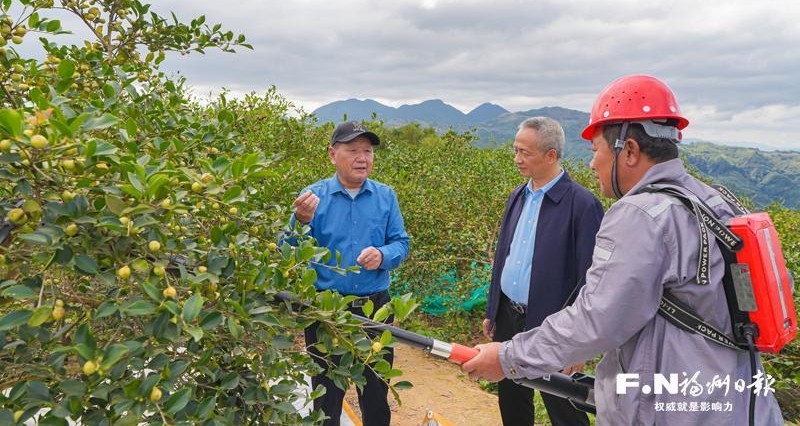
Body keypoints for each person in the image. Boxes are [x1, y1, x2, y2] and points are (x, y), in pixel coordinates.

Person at [463, 75, 784, 425]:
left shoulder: (640, 214)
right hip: (740, 403)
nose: (591, 164)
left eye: (595, 150)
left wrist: (508, 357)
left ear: (628, 150)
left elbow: (596, 318)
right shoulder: (717, 202)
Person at [484, 117, 603, 426]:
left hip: (555, 325)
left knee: (563, 405)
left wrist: (580, 345)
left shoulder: (582, 205)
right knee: (512, 399)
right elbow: (504, 254)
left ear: (551, 155)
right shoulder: (518, 195)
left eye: (525, 152)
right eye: (516, 150)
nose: (517, 159)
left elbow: (590, 278)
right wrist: (493, 310)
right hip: (509, 316)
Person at [291, 121, 410, 426]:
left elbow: (401, 243)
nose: (362, 158)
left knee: (376, 392)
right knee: (326, 394)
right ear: (333, 154)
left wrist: (383, 255)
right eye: (354, 150)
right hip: (327, 311)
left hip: (375, 310)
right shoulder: (313, 198)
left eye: (367, 151)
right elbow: (288, 250)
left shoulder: (385, 196)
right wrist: (300, 222)